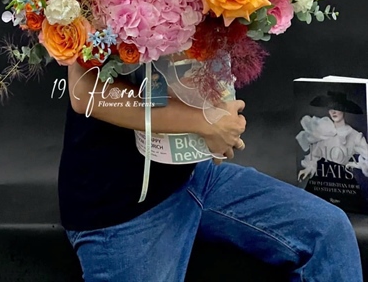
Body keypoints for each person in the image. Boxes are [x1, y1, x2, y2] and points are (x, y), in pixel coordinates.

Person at [58, 62, 364, 282]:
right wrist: (204, 122)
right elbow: (84, 92)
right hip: (121, 203)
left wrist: (219, 113)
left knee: (328, 231)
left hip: (190, 175)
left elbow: (174, 70)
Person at [297, 90, 368, 181]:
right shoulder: (324, 131)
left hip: (343, 182)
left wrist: (354, 165)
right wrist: (308, 169)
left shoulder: (354, 135)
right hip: (322, 181)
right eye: (330, 108)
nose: (333, 112)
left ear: (343, 110)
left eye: (337, 108)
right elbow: (314, 156)